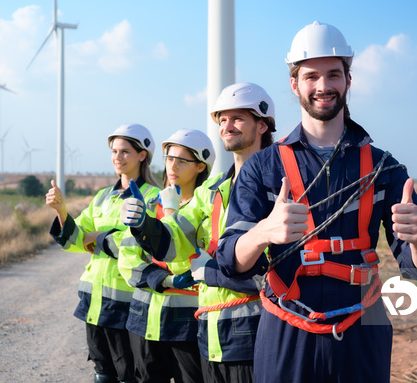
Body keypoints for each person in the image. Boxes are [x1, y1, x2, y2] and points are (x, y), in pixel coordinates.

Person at [216, 22, 417, 383]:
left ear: (348, 81)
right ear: (294, 84)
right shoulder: (263, 168)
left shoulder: (385, 168)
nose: (323, 86)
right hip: (286, 327)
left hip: (363, 327)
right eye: (311, 76)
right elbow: (230, 261)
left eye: (333, 75)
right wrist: (264, 231)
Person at [121, 83, 276, 383]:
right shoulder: (213, 190)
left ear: (262, 124)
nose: (227, 126)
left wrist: (212, 273)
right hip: (212, 335)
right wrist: (145, 225)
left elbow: (274, 269)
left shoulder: (279, 183)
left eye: (237, 118)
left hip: (257, 333)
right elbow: (174, 242)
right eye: (222, 120)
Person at [46, 123, 160, 383]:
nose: (117, 157)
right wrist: (61, 211)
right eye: (114, 151)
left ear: (142, 155)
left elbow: (144, 244)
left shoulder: (153, 197)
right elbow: (75, 240)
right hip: (95, 301)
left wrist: (98, 238)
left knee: (129, 373)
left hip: (128, 302)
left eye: (125, 152)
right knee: (102, 372)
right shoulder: (102, 197)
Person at [118, 129, 215, 383]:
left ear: (200, 167)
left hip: (186, 325)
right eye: (168, 158)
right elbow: (127, 259)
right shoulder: (149, 207)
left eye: (181, 160)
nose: (172, 166)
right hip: (143, 320)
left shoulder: (207, 211)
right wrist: (167, 281)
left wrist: (171, 213)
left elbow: (191, 256)